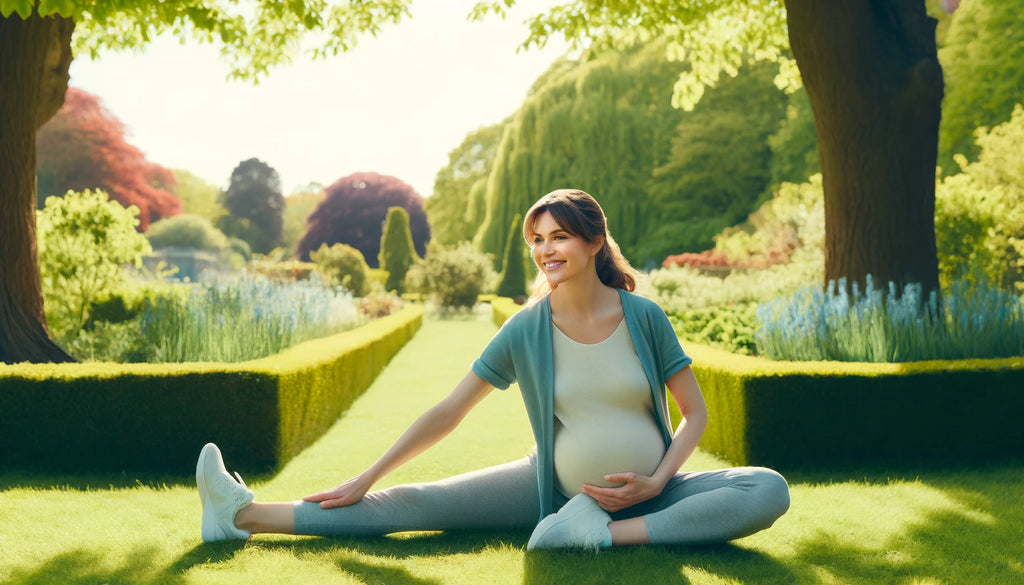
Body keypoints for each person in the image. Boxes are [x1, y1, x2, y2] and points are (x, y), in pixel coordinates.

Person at [197, 188, 790, 550]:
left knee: (766, 490)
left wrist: (657, 481)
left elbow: (695, 414)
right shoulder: (525, 328)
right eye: (537, 239)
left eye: (559, 236)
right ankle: (241, 515)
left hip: (658, 494)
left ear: (593, 241)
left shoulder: (644, 317)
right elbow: (450, 411)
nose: (546, 250)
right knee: (416, 504)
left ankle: (597, 536)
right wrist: (365, 476)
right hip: (553, 493)